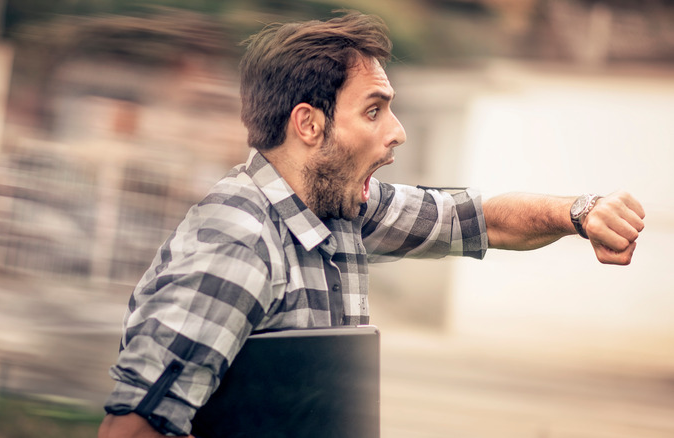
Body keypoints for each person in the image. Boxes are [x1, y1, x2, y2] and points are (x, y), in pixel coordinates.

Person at [98, 11, 645, 438]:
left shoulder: (342, 211)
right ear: (308, 124)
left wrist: (580, 212)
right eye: (374, 110)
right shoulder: (238, 243)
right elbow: (131, 429)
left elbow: (482, 221)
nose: (398, 131)